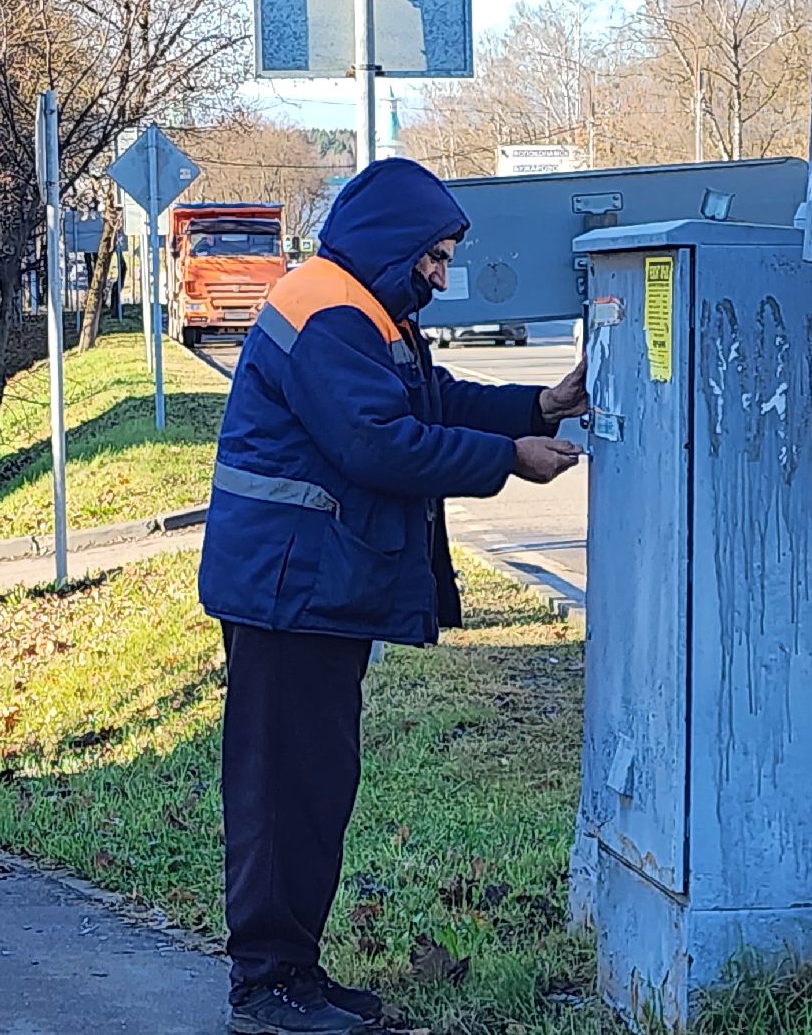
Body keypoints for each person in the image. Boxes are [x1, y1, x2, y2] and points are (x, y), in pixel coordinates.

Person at [196, 157, 588, 1034]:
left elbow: (428, 398)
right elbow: (379, 443)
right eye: (434, 259)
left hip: (306, 586)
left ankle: (293, 970)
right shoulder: (328, 310)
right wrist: (507, 461)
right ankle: (265, 989)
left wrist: (539, 403)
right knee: (280, 790)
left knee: (314, 784)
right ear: (393, 246)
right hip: (284, 592)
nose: (441, 278)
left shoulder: (361, 305)